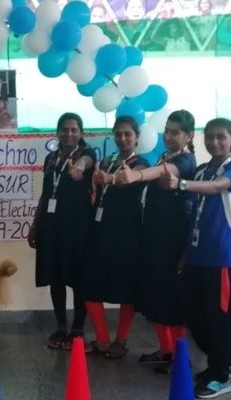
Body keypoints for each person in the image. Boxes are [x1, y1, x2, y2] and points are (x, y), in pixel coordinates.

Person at [161, 118, 231, 399]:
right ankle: (226, 360)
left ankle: (220, 376)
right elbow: (194, 216)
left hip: (225, 258)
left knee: (220, 319)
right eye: (209, 137)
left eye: (221, 137)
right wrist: (186, 253)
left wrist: (180, 183)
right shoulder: (201, 170)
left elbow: (217, 187)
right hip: (198, 257)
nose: (214, 142)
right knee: (195, 317)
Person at [115, 110, 197, 373]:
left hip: (172, 241)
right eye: (167, 131)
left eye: (176, 132)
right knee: (156, 297)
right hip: (153, 238)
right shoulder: (165, 155)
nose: (169, 136)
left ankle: (180, 358)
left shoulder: (185, 161)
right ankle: (166, 350)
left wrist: (136, 176)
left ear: (189, 136)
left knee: (171, 301)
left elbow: (164, 171)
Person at [27, 113, 96, 349]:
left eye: (74, 130)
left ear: (81, 133)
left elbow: (86, 161)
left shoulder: (87, 153)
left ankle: (78, 328)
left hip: (78, 226)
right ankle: (61, 326)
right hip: (51, 226)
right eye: (65, 129)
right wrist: (35, 225)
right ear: (57, 132)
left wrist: (79, 167)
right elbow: (46, 194)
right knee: (55, 276)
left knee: (78, 278)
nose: (69, 134)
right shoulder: (51, 159)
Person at [82, 115, 149, 358]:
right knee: (89, 286)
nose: (122, 138)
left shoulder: (142, 164)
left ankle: (121, 340)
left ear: (137, 137)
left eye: (127, 134)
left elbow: (127, 179)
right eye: (118, 134)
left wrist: (108, 179)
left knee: (126, 290)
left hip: (127, 236)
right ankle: (102, 339)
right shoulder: (107, 161)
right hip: (101, 232)